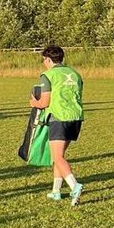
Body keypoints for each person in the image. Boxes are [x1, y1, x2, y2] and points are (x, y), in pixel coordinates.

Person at [31, 46, 84, 205]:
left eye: (44, 60)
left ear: (48, 59)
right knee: (59, 155)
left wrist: (34, 102)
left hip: (59, 117)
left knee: (57, 156)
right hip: (76, 117)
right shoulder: (75, 74)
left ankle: (75, 186)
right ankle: (56, 191)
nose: (44, 63)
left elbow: (45, 102)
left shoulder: (48, 75)